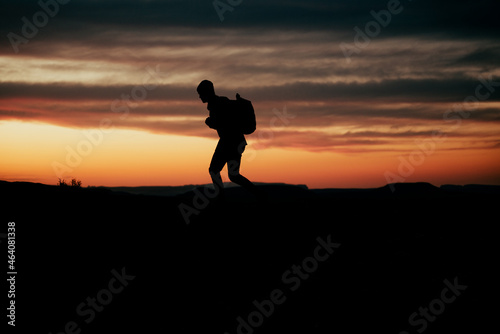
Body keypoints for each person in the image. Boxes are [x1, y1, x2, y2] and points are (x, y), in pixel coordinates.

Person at [197, 80, 261, 201]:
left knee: (214, 170)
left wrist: (210, 123)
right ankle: (259, 194)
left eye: (201, 93)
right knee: (233, 175)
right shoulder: (219, 103)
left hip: (229, 142)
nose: (199, 97)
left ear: (207, 92)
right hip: (236, 141)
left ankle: (220, 199)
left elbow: (226, 123)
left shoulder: (218, 103)